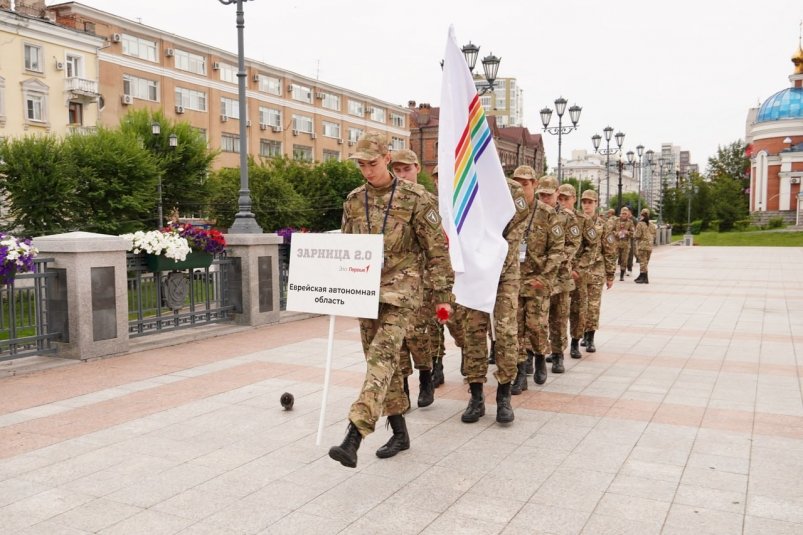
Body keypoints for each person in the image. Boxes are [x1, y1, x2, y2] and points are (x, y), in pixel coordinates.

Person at [329, 134, 453, 468]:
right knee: (384, 365)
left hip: (403, 290)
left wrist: (443, 297)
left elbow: (437, 252)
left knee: (382, 358)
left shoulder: (415, 197)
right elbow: (346, 249)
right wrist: (338, 289)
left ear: (386, 158)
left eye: (372, 163)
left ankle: (354, 432)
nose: (366, 171)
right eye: (361, 165)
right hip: (366, 292)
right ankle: (399, 432)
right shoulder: (354, 200)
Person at [460, 175, 529, 423]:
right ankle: (476, 397)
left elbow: (512, 237)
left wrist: (489, 260)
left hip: (504, 272)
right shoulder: (463, 184)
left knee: (506, 333)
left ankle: (504, 396)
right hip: (474, 272)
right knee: (473, 333)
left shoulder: (512, 190)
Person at [389, 149, 441, 407]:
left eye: (406, 170)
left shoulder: (428, 200)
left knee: (419, 334)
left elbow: (437, 245)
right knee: (396, 340)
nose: (402, 175)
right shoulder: (388, 202)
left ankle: (425, 378)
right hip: (393, 284)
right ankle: (404, 389)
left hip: (421, 282)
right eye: (397, 171)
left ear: (417, 168)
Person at [516, 171, 563, 388]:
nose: (521, 188)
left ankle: (540, 357)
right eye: (517, 184)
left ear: (534, 184)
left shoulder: (547, 214)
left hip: (536, 280)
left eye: (525, 184)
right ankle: (518, 372)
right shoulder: (508, 211)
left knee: (535, 326)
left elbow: (557, 249)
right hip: (512, 280)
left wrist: (544, 278)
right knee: (513, 328)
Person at [547, 183, 583, 373]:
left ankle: (558, 354)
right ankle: (535, 353)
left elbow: (574, 243)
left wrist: (556, 259)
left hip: (560, 276)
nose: (546, 198)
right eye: (541, 195)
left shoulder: (568, 217)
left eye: (549, 194)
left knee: (559, 317)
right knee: (536, 318)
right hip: (540, 276)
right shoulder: (534, 214)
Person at [579, 190, 617, 353]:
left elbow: (609, 250)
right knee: (579, 305)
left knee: (593, 305)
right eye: (584, 202)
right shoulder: (576, 221)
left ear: (596, 203)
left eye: (590, 202)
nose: (587, 205)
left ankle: (590, 337)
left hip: (596, 270)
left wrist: (610, 274)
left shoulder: (604, 224)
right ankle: (578, 334)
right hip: (579, 271)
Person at [634, 208, 657, 284]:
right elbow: (654, 235)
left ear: (641, 214)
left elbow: (637, 235)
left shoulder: (640, 224)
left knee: (642, 262)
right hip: (650, 246)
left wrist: (635, 236)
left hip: (642, 246)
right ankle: (642, 276)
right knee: (645, 262)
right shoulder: (652, 225)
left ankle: (645, 278)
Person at [613, 207, 635, 281]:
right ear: (620, 214)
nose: (624, 215)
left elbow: (633, 233)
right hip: (616, 243)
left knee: (624, 260)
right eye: (623, 213)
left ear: (628, 214)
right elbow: (611, 230)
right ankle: (611, 273)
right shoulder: (616, 221)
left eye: (625, 214)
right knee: (613, 259)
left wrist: (627, 232)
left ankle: (621, 276)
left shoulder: (630, 222)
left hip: (625, 244)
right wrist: (616, 233)